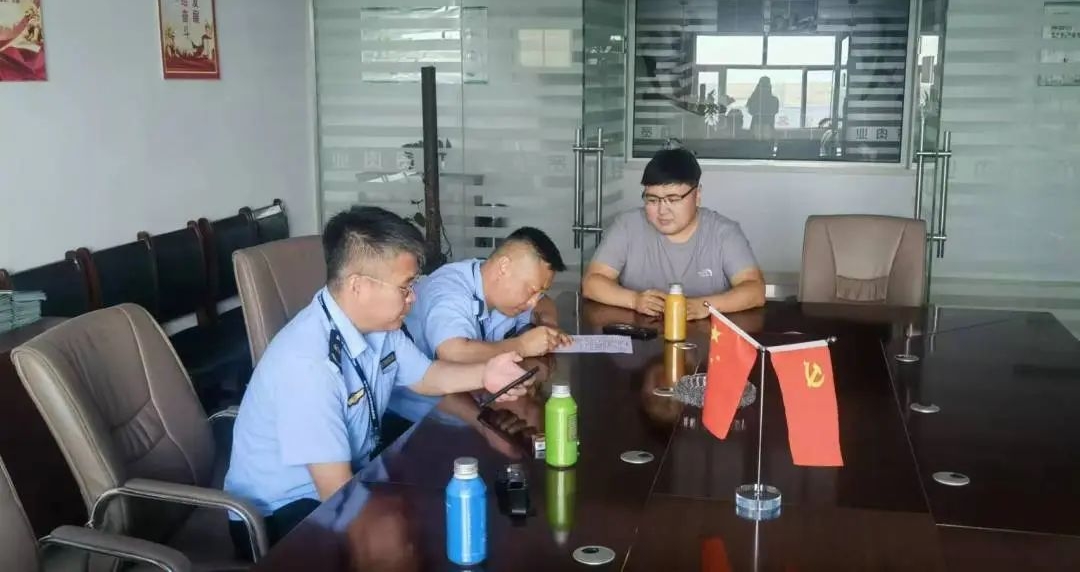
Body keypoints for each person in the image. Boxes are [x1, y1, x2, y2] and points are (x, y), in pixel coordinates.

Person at [223, 206, 532, 557]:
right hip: (283, 514)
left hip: (350, 476)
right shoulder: (309, 365)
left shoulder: (379, 327)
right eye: (405, 287)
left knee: (444, 500)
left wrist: (486, 373)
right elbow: (335, 492)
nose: (413, 297)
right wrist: (401, 522)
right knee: (427, 531)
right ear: (359, 286)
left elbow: (426, 376)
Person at [581, 148, 765, 320]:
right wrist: (634, 300)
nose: (662, 211)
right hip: (640, 336)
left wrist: (705, 306)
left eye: (673, 199)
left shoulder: (724, 233)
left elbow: (755, 290)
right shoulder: (627, 226)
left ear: (697, 195)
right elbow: (591, 283)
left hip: (707, 339)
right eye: (653, 200)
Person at [404, 226, 571, 364]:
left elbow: (543, 303)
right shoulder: (449, 290)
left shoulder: (499, 286)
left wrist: (548, 325)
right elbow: (453, 352)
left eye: (539, 292)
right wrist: (522, 346)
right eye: (532, 291)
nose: (533, 302)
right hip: (422, 394)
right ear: (504, 267)